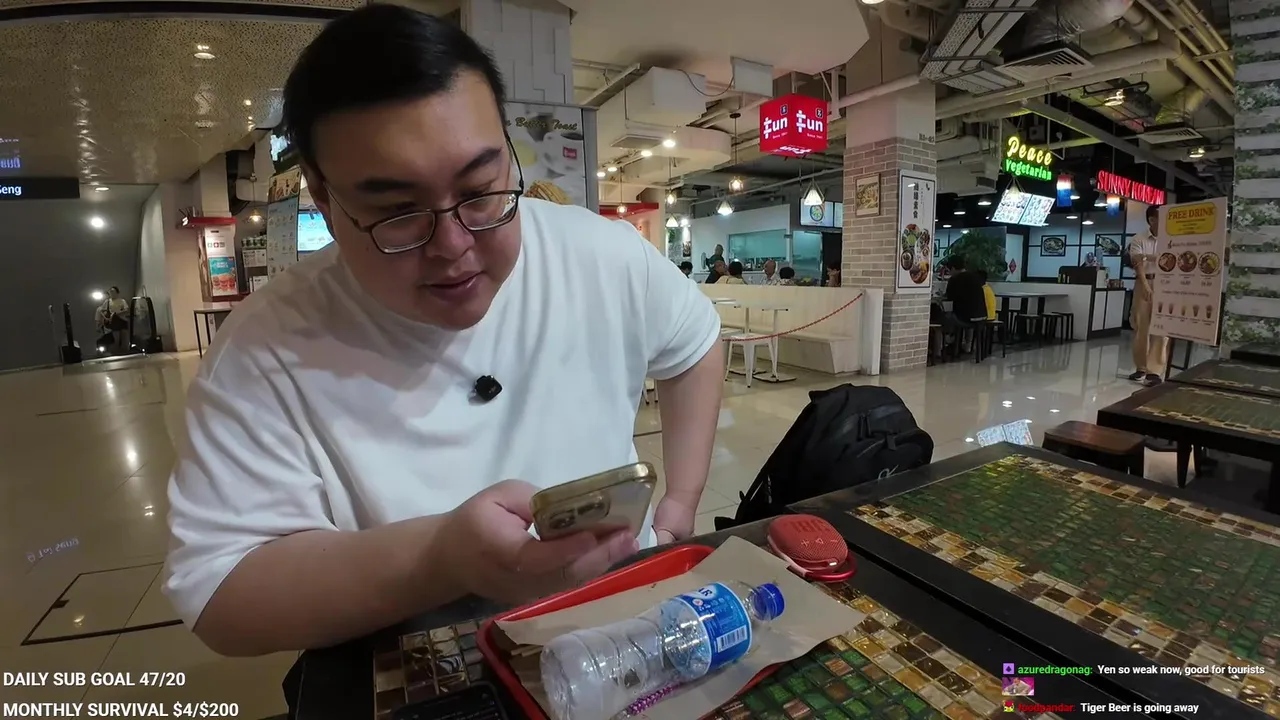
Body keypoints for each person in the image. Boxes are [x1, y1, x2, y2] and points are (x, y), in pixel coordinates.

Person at [163, 5, 724, 658]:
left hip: (630, 627)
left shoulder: (601, 254)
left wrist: (679, 506)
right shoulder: (266, 347)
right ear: (324, 198)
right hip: (431, 664)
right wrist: (440, 558)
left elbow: (694, 343)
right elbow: (221, 595)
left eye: (480, 190)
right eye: (397, 212)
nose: (454, 246)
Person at [1128, 205, 1167, 385]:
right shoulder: (1139, 239)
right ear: (1152, 220)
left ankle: (1155, 371)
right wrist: (1144, 284)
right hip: (1143, 282)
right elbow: (1137, 263)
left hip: (1165, 285)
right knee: (1141, 326)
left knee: (1162, 328)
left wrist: (1147, 257)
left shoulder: (1171, 239)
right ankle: (1141, 368)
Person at [94, 286, 130, 353]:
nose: (112, 293)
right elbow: (101, 310)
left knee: (124, 339)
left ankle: (124, 351)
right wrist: (106, 318)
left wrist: (116, 313)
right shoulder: (107, 301)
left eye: (113, 292)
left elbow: (127, 310)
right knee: (116, 339)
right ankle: (117, 352)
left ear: (117, 293)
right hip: (113, 322)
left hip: (122, 320)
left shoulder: (122, 301)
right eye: (110, 292)